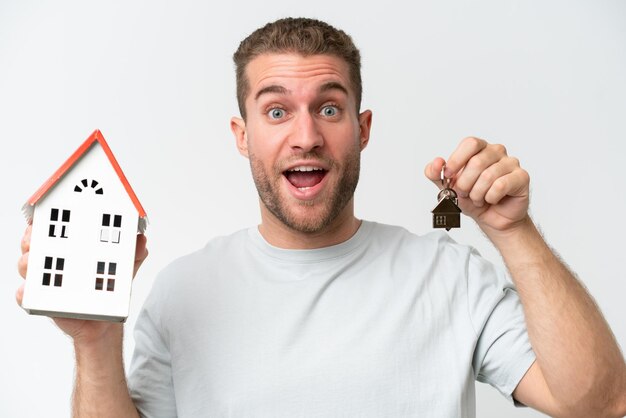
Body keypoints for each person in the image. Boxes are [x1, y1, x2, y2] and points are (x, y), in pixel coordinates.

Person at [16, 17, 626, 418]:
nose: (305, 136)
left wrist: (513, 231)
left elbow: (601, 404)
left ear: (362, 130)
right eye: (276, 112)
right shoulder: (182, 292)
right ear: (242, 135)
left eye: (329, 108)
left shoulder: (451, 276)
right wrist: (95, 343)